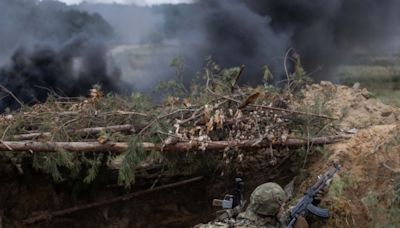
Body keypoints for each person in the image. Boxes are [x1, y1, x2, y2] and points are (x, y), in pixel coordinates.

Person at [195, 182, 327, 228]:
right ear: (273, 210)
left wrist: (312, 201)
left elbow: (286, 215)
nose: (283, 207)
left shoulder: (252, 215)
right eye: (281, 205)